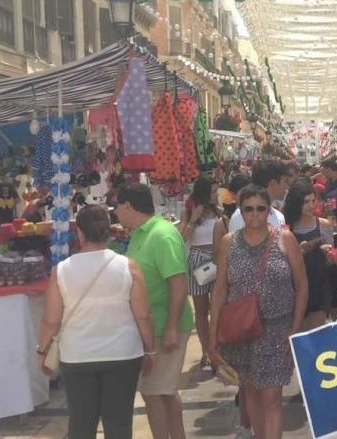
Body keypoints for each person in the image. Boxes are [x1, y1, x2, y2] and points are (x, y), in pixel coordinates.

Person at [38, 205, 155, 439]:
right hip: (122, 354)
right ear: (109, 231)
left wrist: (42, 351)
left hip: (77, 355)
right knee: (119, 425)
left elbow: (51, 321)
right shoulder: (128, 266)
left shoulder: (61, 271)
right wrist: (150, 350)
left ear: (79, 232)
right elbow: (143, 315)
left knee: (81, 425)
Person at [208, 185, 309, 439]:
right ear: (240, 212)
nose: (255, 215)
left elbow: (301, 285)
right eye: (248, 209)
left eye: (261, 209)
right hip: (241, 330)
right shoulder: (228, 243)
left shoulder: (285, 239)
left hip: (277, 329)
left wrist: (295, 329)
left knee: (272, 396)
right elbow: (219, 290)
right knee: (250, 391)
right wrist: (212, 337)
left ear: (269, 211)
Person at [115, 183, 194, 439]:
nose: (114, 212)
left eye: (116, 206)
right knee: (161, 392)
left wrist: (171, 327)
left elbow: (178, 283)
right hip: (149, 327)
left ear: (127, 206)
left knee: (156, 392)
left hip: (163, 327)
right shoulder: (139, 233)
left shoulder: (162, 235)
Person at [179, 177, 224, 370]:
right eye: (213, 192)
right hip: (197, 260)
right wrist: (193, 219)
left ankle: (216, 350)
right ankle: (206, 350)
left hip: (216, 260)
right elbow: (183, 237)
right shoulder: (189, 211)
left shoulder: (219, 213)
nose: (216, 195)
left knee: (217, 309)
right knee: (201, 310)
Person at [283, 181, 335, 330]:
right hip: (292, 286)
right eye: (306, 202)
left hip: (319, 285)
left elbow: (330, 262)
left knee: (315, 332)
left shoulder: (324, 224)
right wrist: (298, 253)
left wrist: (329, 254)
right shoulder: (286, 225)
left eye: (314, 200)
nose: (311, 205)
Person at [229, 161, 289, 231]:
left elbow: (285, 237)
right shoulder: (239, 217)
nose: (287, 187)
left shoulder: (280, 217)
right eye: (285, 181)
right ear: (273, 183)